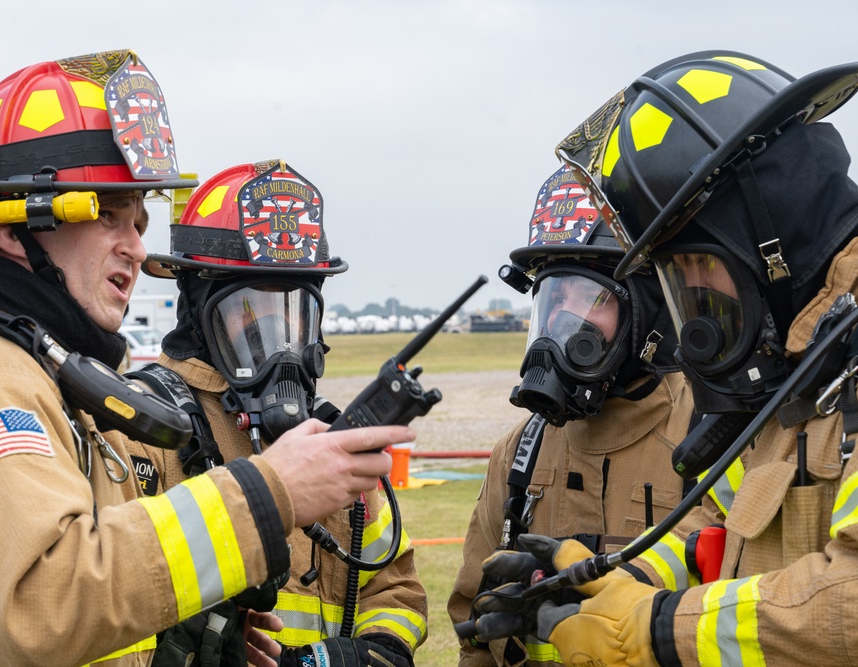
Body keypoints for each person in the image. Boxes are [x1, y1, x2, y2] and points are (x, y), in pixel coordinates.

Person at [0, 50, 410, 667]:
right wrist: (272, 492)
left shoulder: (31, 367)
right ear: (13, 229)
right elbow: (41, 605)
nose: (138, 249)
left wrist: (186, 636)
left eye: (141, 220)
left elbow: (84, 580)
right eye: (109, 214)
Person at [474, 50, 858, 666]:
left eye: (694, 265)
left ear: (767, 237)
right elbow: (716, 537)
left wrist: (651, 630)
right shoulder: (796, 373)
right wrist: (598, 575)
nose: (696, 304)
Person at [126, 159, 429, 667]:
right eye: (250, 311)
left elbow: (394, 589)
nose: (279, 341)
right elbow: (100, 597)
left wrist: (365, 654)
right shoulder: (141, 430)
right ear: (200, 312)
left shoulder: (327, 441)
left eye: (293, 311)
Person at [447, 166, 702, 666]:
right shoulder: (520, 454)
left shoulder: (714, 439)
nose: (562, 320)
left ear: (646, 311)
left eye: (587, 297)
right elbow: (473, 631)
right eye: (553, 296)